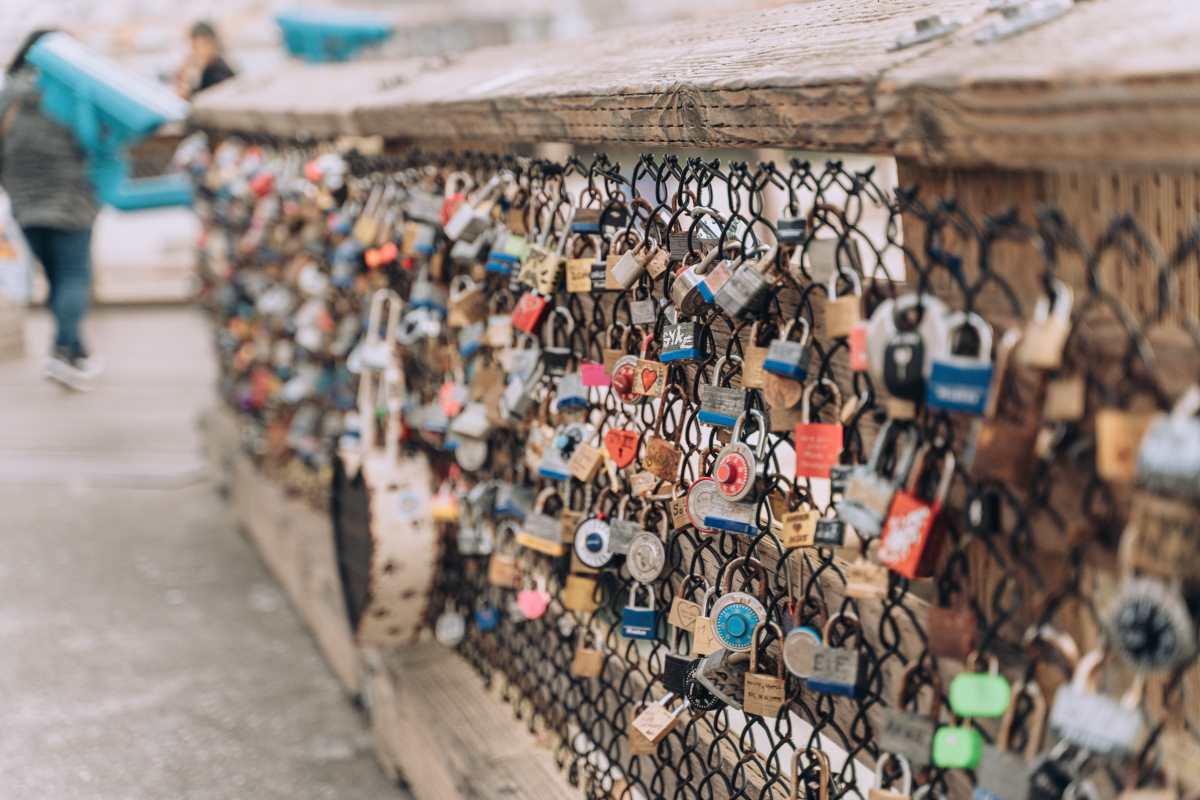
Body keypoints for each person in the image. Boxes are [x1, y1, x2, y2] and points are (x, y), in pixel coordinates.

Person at [0, 29, 102, 390]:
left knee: (57, 280)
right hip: (72, 199)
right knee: (73, 276)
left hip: (25, 204)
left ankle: (78, 353)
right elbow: (97, 141)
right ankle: (61, 351)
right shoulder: (75, 91)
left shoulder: (7, 93)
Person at [175, 21, 235, 99]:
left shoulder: (220, 72)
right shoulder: (199, 68)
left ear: (213, 44)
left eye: (202, 45)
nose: (198, 51)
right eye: (194, 47)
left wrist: (193, 74)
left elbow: (186, 95)